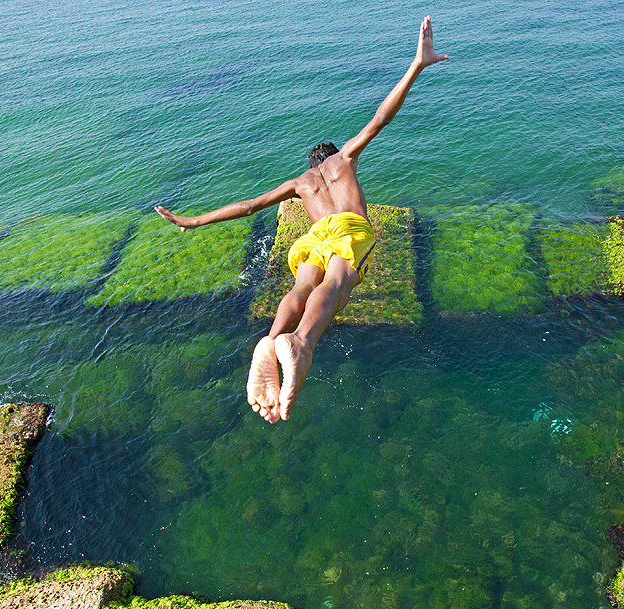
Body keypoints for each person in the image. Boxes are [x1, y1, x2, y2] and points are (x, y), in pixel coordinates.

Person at [156, 16, 448, 423]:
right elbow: (382, 117)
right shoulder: (344, 158)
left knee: (303, 285)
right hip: (348, 228)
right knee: (336, 284)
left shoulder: (298, 183)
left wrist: (194, 221)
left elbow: (248, 206)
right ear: (331, 156)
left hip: (313, 237)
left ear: (310, 164)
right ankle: (301, 342)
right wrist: (416, 65)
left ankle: (273, 338)